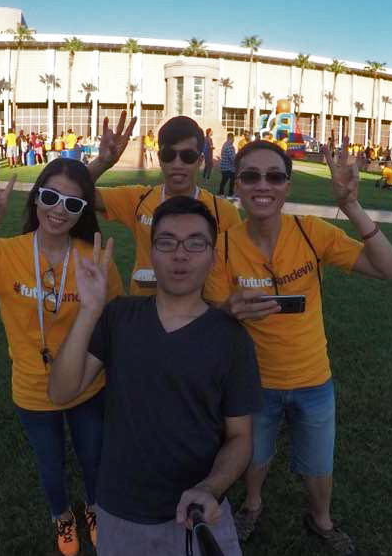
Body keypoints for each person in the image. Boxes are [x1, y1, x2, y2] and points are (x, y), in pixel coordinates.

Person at [204, 141, 392, 554]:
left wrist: (351, 206)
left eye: (274, 176)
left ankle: (321, 520)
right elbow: (211, 314)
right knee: (255, 456)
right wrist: (227, 309)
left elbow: (391, 269)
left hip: (313, 379)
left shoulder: (311, 232)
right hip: (254, 383)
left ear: (287, 186)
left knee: (317, 464)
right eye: (251, 176)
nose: (263, 185)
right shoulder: (223, 247)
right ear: (237, 185)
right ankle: (252, 506)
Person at [0, 160, 123, 556]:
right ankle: (62, 517)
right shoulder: (6, 254)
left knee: (93, 456)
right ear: (36, 199)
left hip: (86, 384)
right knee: (50, 463)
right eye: (50, 197)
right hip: (32, 389)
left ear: (82, 211)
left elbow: (113, 326)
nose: (59, 209)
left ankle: (95, 509)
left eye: (73, 203)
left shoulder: (94, 258)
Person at [48, 196, 262, 556]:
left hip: (198, 513)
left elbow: (241, 438)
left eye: (195, 243)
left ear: (213, 257)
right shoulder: (118, 317)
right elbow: (60, 391)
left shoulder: (232, 338)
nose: (180, 255)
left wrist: (210, 488)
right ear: (151, 252)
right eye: (167, 242)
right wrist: (88, 311)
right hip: (120, 511)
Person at [87, 113, 240, 295]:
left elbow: (236, 272)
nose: (177, 164)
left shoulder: (223, 212)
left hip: (204, 308)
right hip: (146, 307)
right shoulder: (139, 199)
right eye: (169, 155)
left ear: (200, 161)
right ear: (159, 158)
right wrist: (101, 163)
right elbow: (76, 193)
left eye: (187, 156)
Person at [218, 132, 237, 199]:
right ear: (230, 138)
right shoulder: (229, 146)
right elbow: (232, 158)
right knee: (231, 181)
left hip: (224, 166)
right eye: (233, 138)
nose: (233, 140)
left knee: (224, 181)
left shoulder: (225, 144)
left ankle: (221, 193)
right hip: (229, 167)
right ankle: (230, 194)